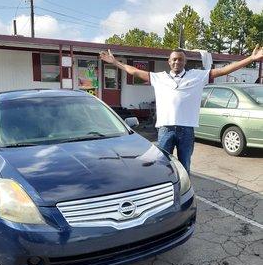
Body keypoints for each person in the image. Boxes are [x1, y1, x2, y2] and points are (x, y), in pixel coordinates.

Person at [100, 46, 263, 173]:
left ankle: (183, 194)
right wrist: (115, 63)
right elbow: (134, 71)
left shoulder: (197, 76)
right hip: (165, 130)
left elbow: (224, 70)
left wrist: (251, 58)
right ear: (169, 61)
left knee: (185, 166)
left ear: (184, 62)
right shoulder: (159, 78)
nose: (177, 62)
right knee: (163, 165)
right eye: (174, 59)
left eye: (180, 60)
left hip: (186, 130)